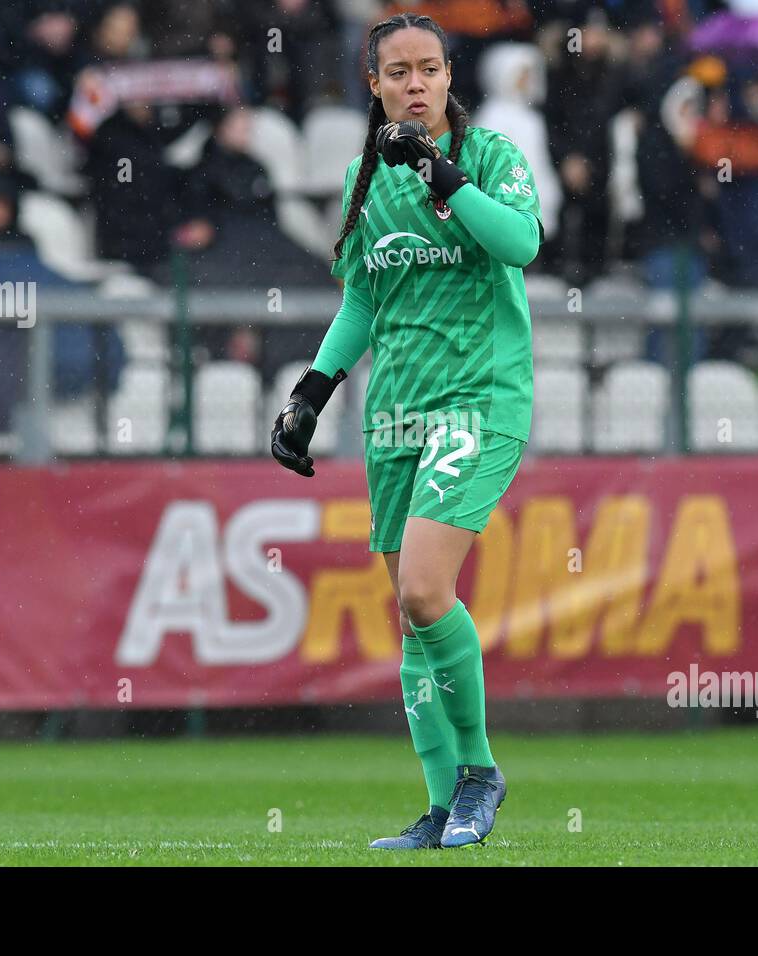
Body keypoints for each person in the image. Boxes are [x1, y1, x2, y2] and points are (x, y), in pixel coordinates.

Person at [269, 13, 543, 850]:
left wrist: (442, 174)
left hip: (479, 399)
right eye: (399, 72)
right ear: (375, 84)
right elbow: (362, 298)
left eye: (429, 68)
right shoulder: (362, 177)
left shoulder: (489, 156)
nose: (415, 84)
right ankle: (438, 808)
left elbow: (522, 243)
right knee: (415, 615)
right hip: (395, 414)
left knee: (427, 590)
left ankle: (480, 774)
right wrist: (313, 394)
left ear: (450, 77)